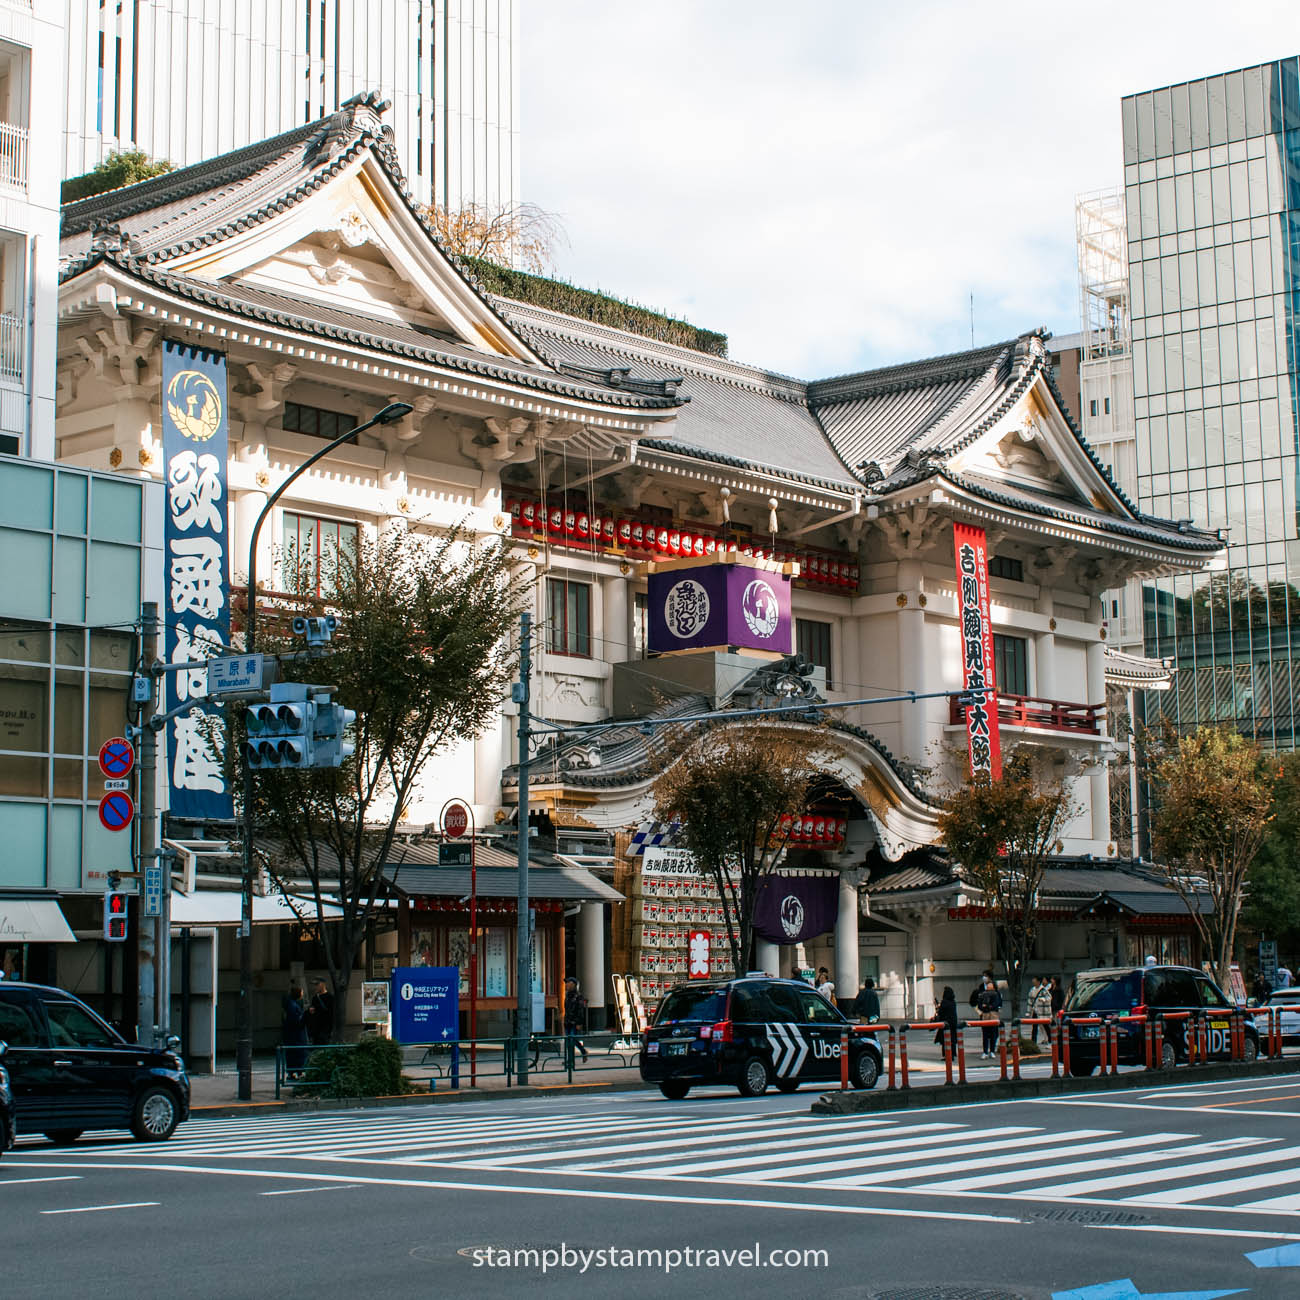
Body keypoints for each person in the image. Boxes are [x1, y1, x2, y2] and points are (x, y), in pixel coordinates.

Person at [281, 985, 309, 1076]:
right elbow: (297, 1021)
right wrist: (305, 1016)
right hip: (297, 1035)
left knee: (291, 1053)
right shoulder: (293, 1006)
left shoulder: (289, 1005)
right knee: (299, 1053)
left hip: (290, 1034)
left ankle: (292, 1072)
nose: (302, 994)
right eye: (301, 992)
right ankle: (298, 1071)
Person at [563, 975, 589, 1063]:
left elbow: (580, 1010)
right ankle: (582, 1052)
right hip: (567, 1021)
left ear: (573, 985)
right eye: (566, 983)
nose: (566, 985)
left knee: (572, 1040)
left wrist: (579, 1023)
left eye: (568, 983)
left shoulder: (578, 996)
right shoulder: (567, 996)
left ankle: (571, 1060)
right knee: (569, 1041)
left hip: (574, 1022)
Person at [975, 976, 1002, 1059]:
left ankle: (992, 1051)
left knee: (994, 1034)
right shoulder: (982, 994)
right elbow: (979, 1005)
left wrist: (987, 1006)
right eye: (988, 986)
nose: (988, 987)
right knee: (985, 1035)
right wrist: (987, 1007)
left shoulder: (997, 994)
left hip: (993, 1016)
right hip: (985, 1016)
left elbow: (996, 1004)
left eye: (990, 986)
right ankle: (985, 1051)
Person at [306, 978, 334, 1045]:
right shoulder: (315, 998)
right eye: (314, 985)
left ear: (323, 984)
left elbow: (332, 1014)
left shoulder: (330, 997)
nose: (315, 987)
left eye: (317, 984)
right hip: (315, 1029)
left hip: (325, 1028)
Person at [934, 986, 960, 1051]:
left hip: (946, 1023)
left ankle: (946, 1055)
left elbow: (940, 1012)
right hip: (953, 1023)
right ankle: (953, 1053)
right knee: (952, 1038)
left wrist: (937, 1007)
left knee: (945, 1039)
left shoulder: (944, 1002)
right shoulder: (953, 1002)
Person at [1029, 976, 1053, 1044]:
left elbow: (1049, 997)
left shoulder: (1043, 989)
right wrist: (1029, 1011)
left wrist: (1044, 999)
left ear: (1038, 981)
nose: (1033, 981)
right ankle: (1033, 1042)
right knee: (1034, 1027)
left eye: (1034, 979)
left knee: (1045, 1026)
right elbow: (1030, 1001)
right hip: (1035, 1010)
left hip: (1042, 1011)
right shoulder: (1032, 990)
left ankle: (1050, 1040)